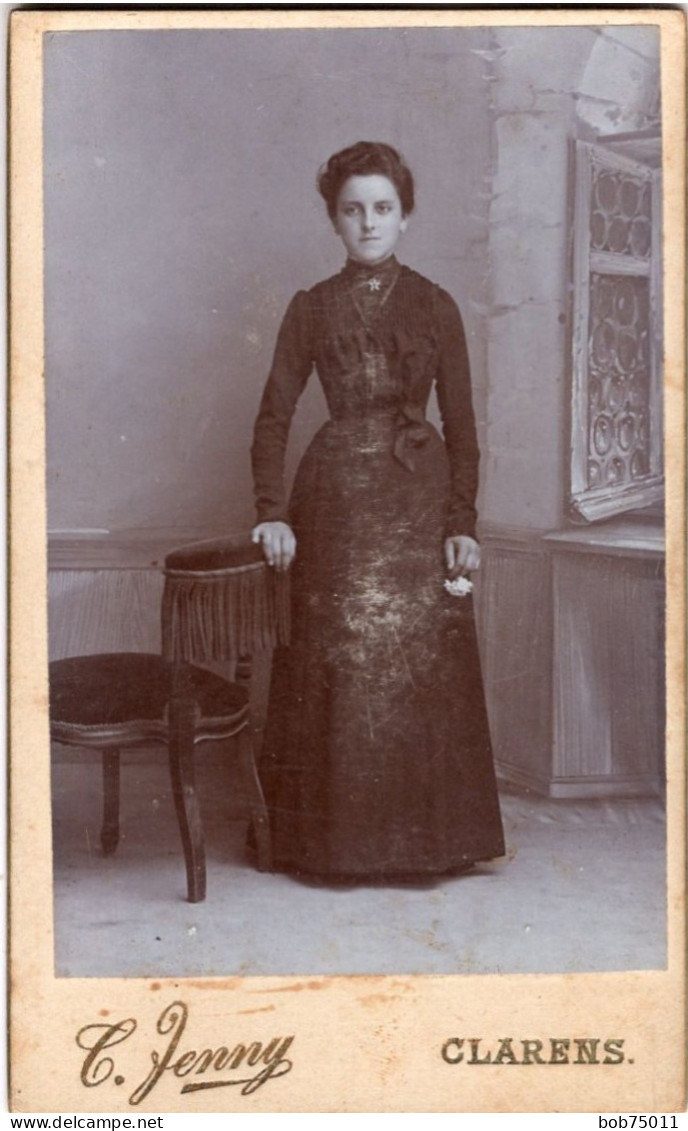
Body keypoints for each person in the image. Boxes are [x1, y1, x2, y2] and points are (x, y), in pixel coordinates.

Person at [251, 141, 505, 881]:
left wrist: (462, 523)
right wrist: (272, 510)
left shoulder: (435, 305)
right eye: (353, 210)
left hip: (419, 505)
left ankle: (432, 844)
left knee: (419, 663)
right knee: (336, 663)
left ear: (406, 216)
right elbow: (272, 417)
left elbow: (461, 425)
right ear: (334, 219)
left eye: (383, 208)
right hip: (332, 505)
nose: (369, 223)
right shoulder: (311, 309)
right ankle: (328, 845)